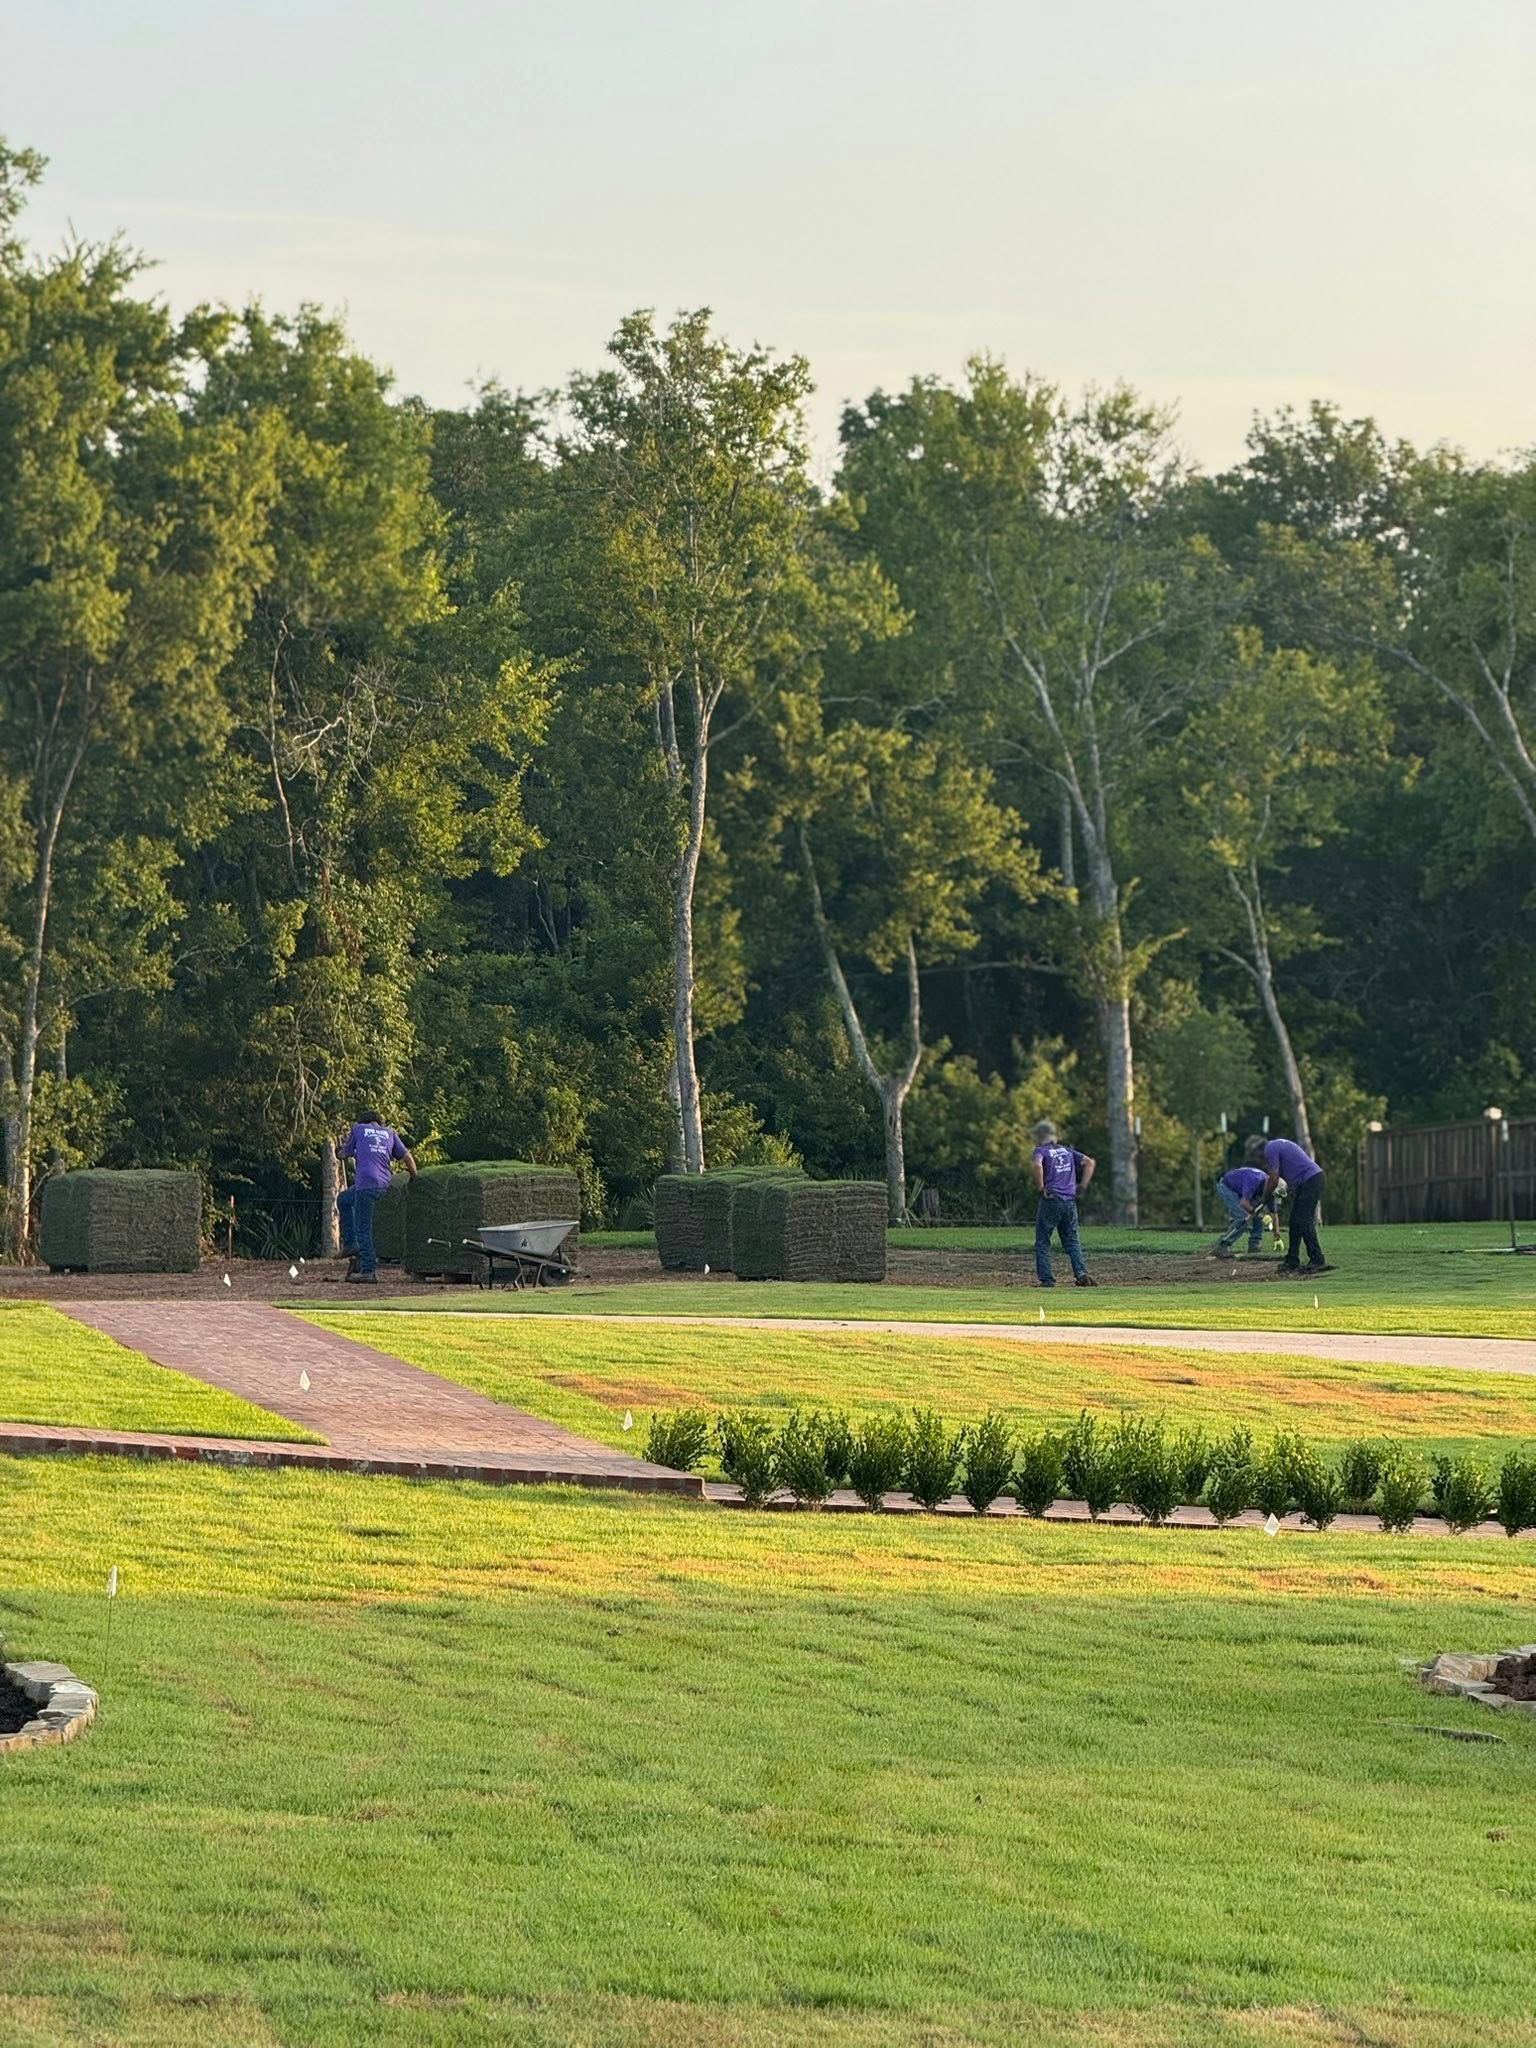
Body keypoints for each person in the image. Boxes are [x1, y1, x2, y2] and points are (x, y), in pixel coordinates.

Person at [337, 1113, 417, 1284]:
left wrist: (339, 1151)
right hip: (383, 1184)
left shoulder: (358, 1129)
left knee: (363, 1229)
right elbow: (408, 1158)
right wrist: (415, 1178)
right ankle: (351, 1245)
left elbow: (344, 1154)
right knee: (344, 1199)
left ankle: (368, 1270)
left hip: (366, 1184)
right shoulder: (390, 1133)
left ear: (363, 1121)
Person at [1250, 1132, 1332, 1276]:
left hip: (1311, 1180)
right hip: (1308, 1182)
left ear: (1258, 1149)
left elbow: (1274, 1179)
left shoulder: (1269, 1149)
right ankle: (1292, 1260)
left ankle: (1317, 1260)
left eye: (1256, 1155)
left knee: (1304, 1221)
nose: (1258, 1159)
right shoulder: (1275, 1145)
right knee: (1295, 1222)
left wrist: (1264, 1198)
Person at [1030, 1119, 1097, 1287]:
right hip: (1069, 1201)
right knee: (1072, 1240)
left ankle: (1047, 1280)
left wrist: (1040, 1187)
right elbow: (1089, 1163)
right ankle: (1081, 1273)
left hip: (1051, 1200)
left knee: (1043, 1241)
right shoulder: (1067, 1151)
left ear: (1039, 1136)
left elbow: (1037, 1166)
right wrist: (1082, 1185)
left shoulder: (1040, 1151)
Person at [1212, 1160, 1284, 1259]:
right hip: (1227, 1187)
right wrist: (1261, 1216)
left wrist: (1277, 1237)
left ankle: (1254, 1246)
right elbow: (1244, 1203)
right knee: (1243, 1217)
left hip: (1241, 1189)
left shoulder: (1271, 1189)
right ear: (1269, 1188)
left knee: (1258, 1213)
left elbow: (1274, 1215)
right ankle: (1222, 1245)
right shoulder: (1254, 1180)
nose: (1272, 1198)